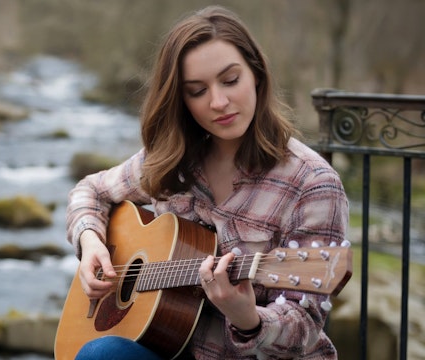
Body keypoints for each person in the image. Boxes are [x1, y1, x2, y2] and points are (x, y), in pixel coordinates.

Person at [65, 5, 349, 359]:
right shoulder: (173, 160)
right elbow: (90, 191)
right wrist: (91, 242)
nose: (219, 102)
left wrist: (248, 318)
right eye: (197, 91)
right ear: (181, 101)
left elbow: (305, 325)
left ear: (256, 75)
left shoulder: (312, 183)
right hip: (174, 346)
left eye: (231, 80)